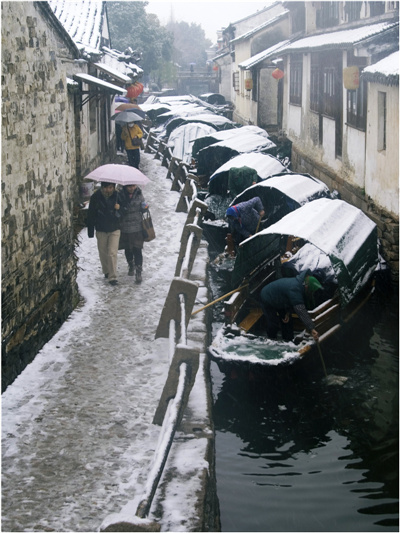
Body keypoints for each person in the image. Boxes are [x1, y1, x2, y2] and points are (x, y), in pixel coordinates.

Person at [260, 270, 322, 342]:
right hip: (267, 297)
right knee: (273, 323)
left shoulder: (300, 285)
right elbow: (301, 311)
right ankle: (271, 341)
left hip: (280, 300)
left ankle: (288, 341)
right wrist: (311, 329)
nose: (312, 293)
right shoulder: (295, 289)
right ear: (307, 287)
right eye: (311, 291)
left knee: (287, 321)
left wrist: (288, 312)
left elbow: (289, 299)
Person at [87, 182, 122, 286]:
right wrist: (90, 229)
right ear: (102, 188)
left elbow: (124, 212)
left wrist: (118, 209)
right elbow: (91, 213)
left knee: (112, 252)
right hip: (101, 228)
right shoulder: (95, 197)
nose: (108, 190)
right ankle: (106, 271)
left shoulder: (118, 196)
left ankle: (113, 276)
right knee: (103, 252)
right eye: (106, 188)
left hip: (114, 228)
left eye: (110, 187)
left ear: (113, 187)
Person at [119, 184, 148, 283]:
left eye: (133, 186)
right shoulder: (120, 195)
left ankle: (138, 272)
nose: (132, 188)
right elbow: (118, 210)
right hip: (125, 227)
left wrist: (145, 207)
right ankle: (131, 264)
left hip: (137, 227)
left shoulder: (139, 194)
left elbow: (144, 208)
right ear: (125, 187)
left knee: (137, 249)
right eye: (129, 187)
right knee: (128, 248)